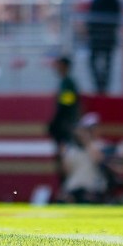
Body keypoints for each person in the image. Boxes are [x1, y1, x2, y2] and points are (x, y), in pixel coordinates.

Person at [46, 54, 82, 193]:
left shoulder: (67, 84)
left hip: (65, 130)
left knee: (65, 160)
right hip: (65, 128)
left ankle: (67, 190)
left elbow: (66, 106)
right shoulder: (65, 83)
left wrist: (56, 123)